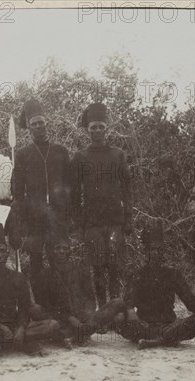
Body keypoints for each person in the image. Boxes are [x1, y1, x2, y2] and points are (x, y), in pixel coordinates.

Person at [70, 102, 133, 306]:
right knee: (97, 266)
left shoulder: (117, 155)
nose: (97, 131)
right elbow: (74, 194)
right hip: (93, 223)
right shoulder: (80, 157)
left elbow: (127, 189)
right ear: (87, 131)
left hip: (115, 220)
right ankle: (102, 308)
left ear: (107, 129)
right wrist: (79, 225)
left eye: (100, 127)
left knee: (115, 266)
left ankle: (114, 309)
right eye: (93, 127)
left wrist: (128, 219)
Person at [118, 221, 195, 349]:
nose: (156, 253)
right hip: (144, 326)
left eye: (159, 250)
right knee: (120, 319)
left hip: (168, 326)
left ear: (163, 252)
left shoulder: (173, 274)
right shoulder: (138, 274)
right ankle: (166, 340)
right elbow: (128, 302)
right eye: (153, 249)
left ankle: (156, 341)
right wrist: (129, 313)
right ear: (147, 252)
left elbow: (190, 300)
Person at [0, 223, 60, 352]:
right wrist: (0, 327)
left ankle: (9, 342)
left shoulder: (18, 277)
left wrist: (21, 329)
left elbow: (25, 308)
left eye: (2, 251)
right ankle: (17, 342)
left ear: (7, 254)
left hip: (14, 325)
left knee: (52, 325)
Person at [32, 228, 126, 346]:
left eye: (65, 248)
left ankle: (75, 335)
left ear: (69, 251)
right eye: (58, 248)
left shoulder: (80, 270)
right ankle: (80, 335)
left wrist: (84, 316)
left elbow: (90, 300)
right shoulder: (44, 275)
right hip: (61, 321)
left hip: (83, 319)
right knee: (43, 316)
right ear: (52, 251)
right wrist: (69, 318)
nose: (61, 251)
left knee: (118, 302)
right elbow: (45, 306)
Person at [11, 99, 71, 277]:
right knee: (36, 261)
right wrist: (21, 218)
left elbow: (69, 185)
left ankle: (62, 301)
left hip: (57, 215)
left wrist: (68, 213)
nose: (38, 127)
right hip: (34, 216)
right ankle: (38, 301)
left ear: (47, 125)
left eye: (41, 123)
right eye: (34, 124)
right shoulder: (23, 154)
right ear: (29, 128)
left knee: (59, 260)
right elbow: (18, 189)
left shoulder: (60, 151)